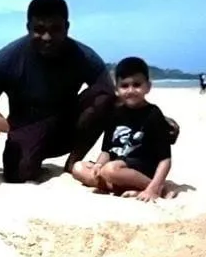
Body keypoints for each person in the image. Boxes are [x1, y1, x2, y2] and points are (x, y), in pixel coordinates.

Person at [0, 0, 181, 183]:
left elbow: (118, 100)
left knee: (102, 97)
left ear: (67, 27)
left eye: (55, 29)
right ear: (28, 27)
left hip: (68, 126)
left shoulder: (83, 56)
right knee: (19, 174)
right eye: (39, 29)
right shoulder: (8, 59)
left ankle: (72, 161)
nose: (47, 37)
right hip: (26, 128)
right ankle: (30, 161)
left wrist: (153, 119)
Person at [72, 56, 178, 202]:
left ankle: (157, 187)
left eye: (137, 85)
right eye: (125, 86)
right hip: (115, 168)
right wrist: (97, 165)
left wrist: (152, 188)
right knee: (78, 168)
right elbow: (107, 151)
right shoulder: (115, 113)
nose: (130, 90)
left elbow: (165, 159)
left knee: (110, 170)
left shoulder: (153, 114)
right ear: (117, 89)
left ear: (148, 87)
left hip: (140, 168)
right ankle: (126, 187)